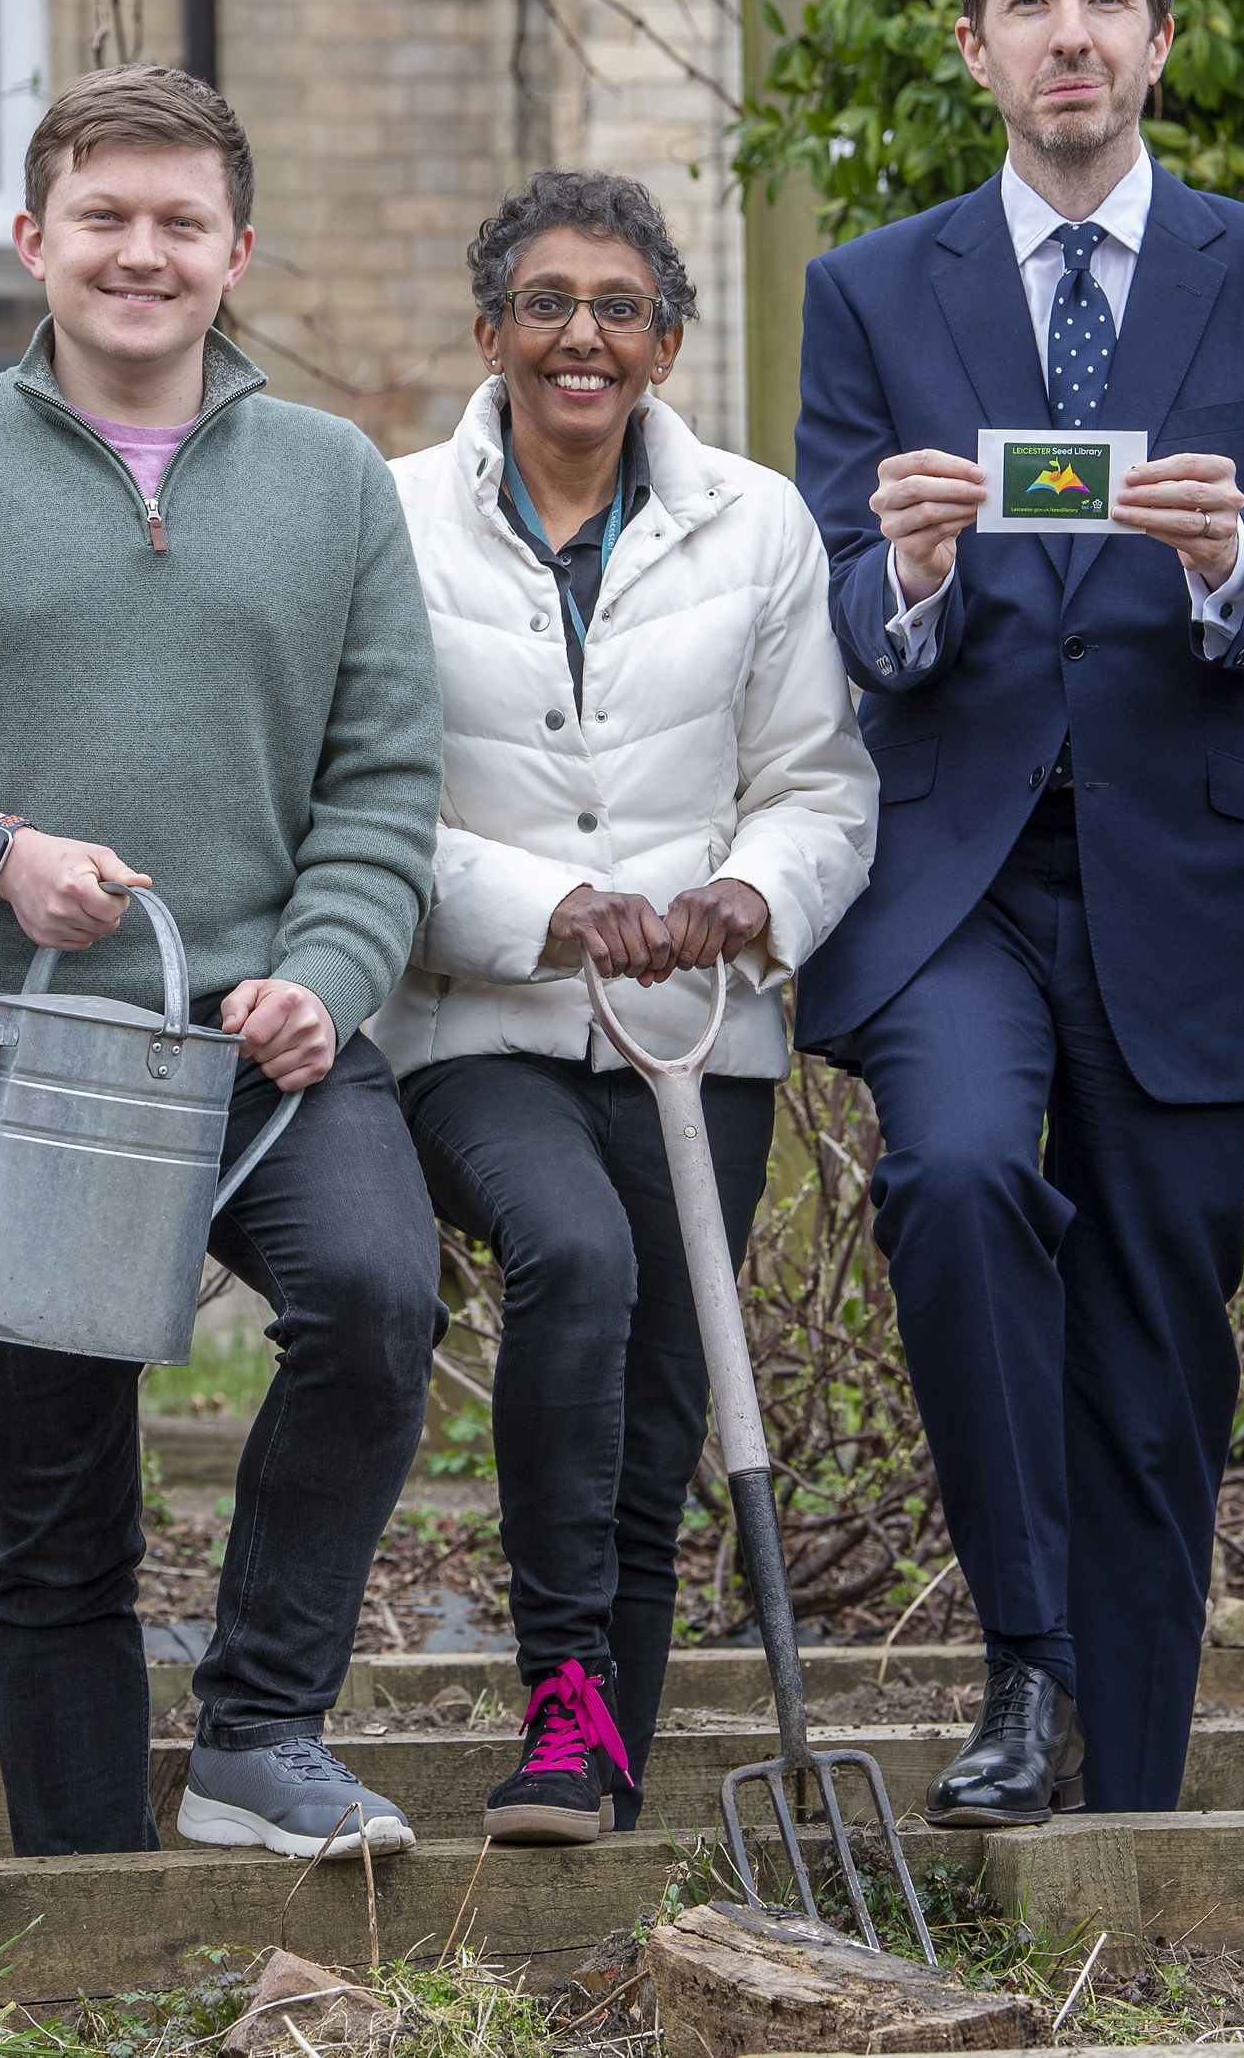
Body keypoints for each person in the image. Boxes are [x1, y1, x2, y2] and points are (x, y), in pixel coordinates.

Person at [0, 64, 445, 1863]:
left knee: (376, 1301)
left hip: (259, 1028)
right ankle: (84, 1890)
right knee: (59, 1500)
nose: (142, 253)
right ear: (33, 238)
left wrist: (328, 974)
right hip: (2, 1036)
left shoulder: (332, 482)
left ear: (238, 252)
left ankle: (260, 1734)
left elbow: (383, 784)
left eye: (180, 223)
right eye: (105, 218)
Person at [792, 0, 1244, 1824]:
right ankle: (1027, 1657)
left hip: (1184, 878)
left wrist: (1231, 562)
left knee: (1155, 1325)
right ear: (975, 46)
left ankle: (1126, 1788)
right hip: (954, 882)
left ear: (1158, 38)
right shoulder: (871, 290)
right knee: (957, 1177)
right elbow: (836, 602)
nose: (1070, 33)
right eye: (1030, 1)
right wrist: (903, 571)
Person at [372, 172, 876, 1844]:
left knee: (664, 1397)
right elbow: (365, 800)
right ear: (489, 332)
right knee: (574, 1254)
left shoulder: (759, 523)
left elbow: (818, 782)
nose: (579, 334)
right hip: (479, 1022)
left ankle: (601, 1771)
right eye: (545, 302)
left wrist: (754, 894)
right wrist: (549, 910)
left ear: (666, 342)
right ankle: (560, 1701)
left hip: (694, 1032)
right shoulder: (388, 519)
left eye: (618, 307)